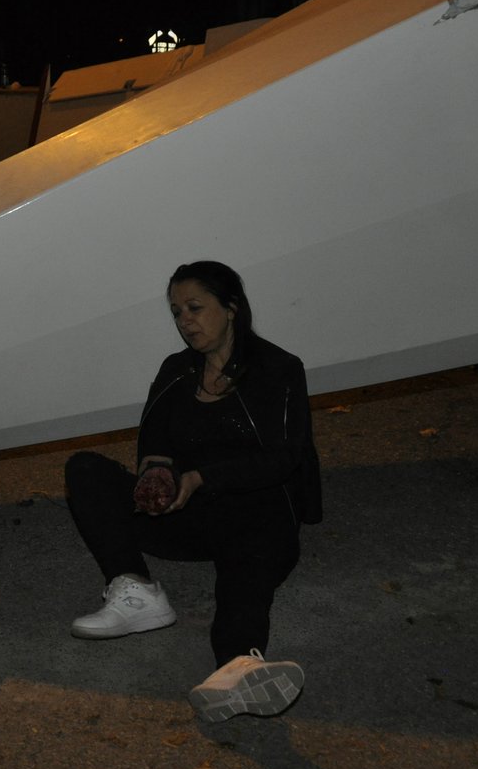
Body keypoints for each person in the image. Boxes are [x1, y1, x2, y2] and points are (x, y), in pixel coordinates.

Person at [64, 261, 321, 721]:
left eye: (196, 308)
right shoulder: (178, 370)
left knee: (242, 580)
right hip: (189, 515)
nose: (185, 321)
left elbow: (283, 459)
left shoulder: (279, 369)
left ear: (231, 308)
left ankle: (237, 667)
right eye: (177, 312)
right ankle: (137, 592)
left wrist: (201, 478)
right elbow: (155, 440)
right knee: (86, 469)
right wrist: (156, 476)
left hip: (257, 517)